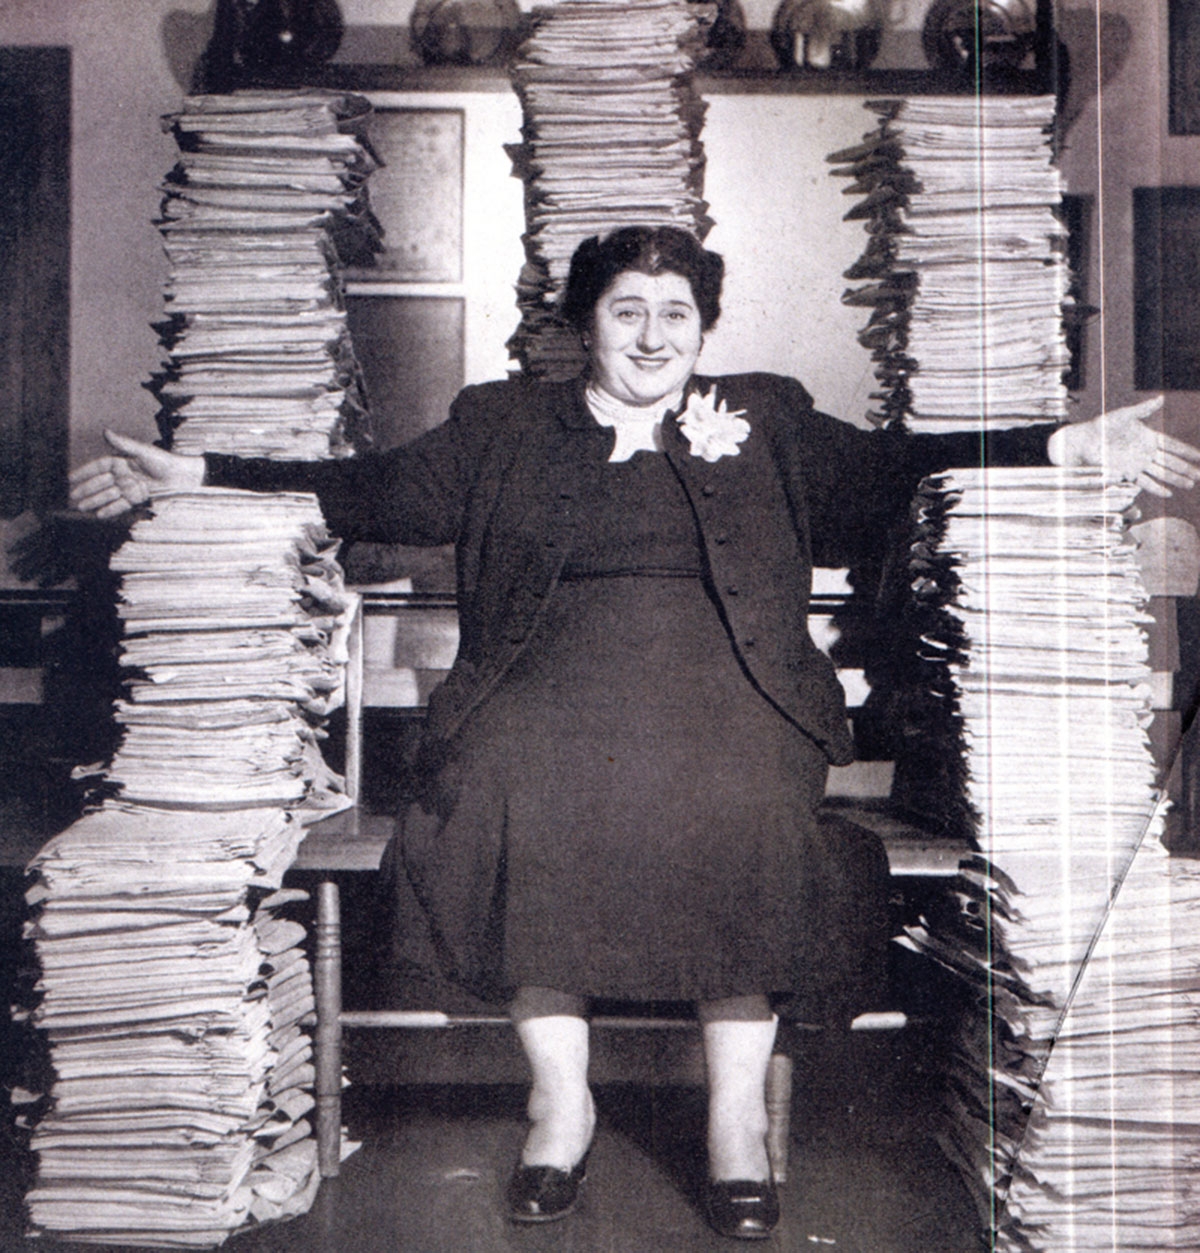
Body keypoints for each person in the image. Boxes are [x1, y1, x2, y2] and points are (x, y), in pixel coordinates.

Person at [69, 225, 1200, 1240]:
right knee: (518, 785)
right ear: (582, 325)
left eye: (677, 314)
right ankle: (559, 1103)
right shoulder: (503, 424)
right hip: (543, 693)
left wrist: (1058, 444)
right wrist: (203, 471)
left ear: (705, 327)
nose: (653, 335)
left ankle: (733, 1119)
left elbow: (898, 466)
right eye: (627, 310)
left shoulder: (765, 416)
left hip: (734, 695)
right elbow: (364, 488)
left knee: (746, 803)